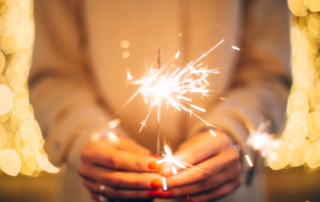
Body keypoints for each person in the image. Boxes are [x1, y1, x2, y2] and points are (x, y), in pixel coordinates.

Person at [29, 0, 291, 201]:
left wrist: (236, 133)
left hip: (226, 194)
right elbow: (54, 77)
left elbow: (269, 75)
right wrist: (85, 135)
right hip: (96, 194)